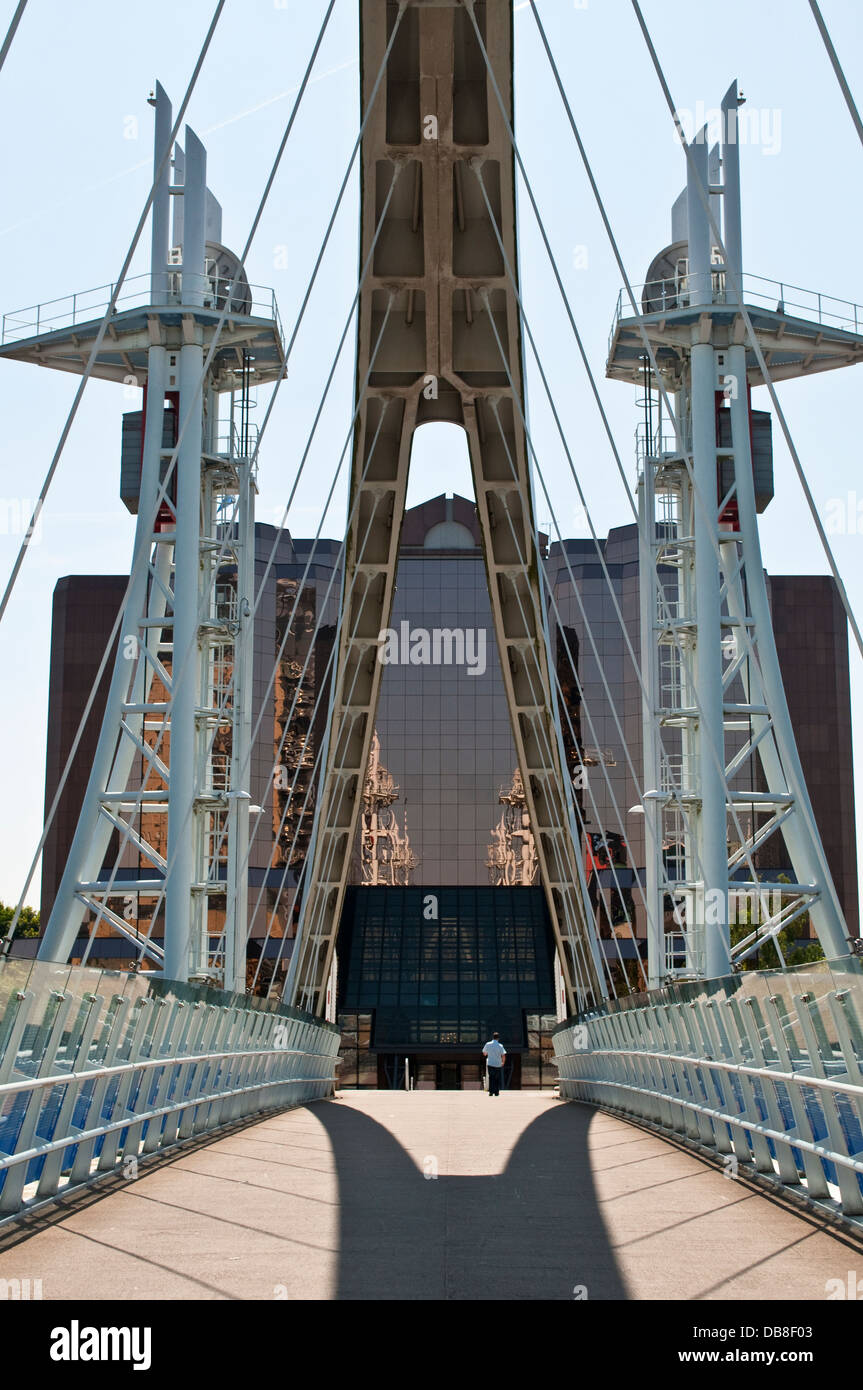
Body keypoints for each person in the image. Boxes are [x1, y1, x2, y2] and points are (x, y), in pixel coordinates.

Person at [482, 1032, 506, 1097]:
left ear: (492, 1037)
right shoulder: (500, 1045)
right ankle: (496, 1092)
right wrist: (503, 1062)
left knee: (491, 1078)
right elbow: (503, 1055)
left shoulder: (488, 1044)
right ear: (498, 1038)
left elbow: (484, 1053)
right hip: (498, 1064)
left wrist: (487, 1053)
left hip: (490, 1063)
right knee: (497, 1078)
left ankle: (491, 1092)